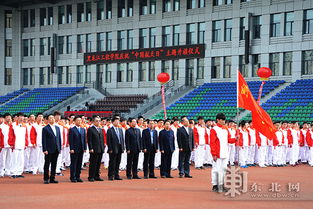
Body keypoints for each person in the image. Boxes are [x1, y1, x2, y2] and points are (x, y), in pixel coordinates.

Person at [210, 113, 231, 193]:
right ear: (218, 120)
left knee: (223, 170)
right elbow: (212, 143)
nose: (223, 121)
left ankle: (221, 184)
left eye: (224, 120)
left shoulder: (226, 128)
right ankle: (215, 185)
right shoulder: (214, 129)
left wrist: (235, 138)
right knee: (216, 169)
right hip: (217, 153)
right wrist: (214, 154)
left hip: (225, 152)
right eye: (222, 120)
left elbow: (229, 140)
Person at [42, 114, 62, 184]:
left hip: (56, 148)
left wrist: (59, 148)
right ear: (47, 120)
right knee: (47, 164)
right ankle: (46, 178)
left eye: (53, 118)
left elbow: (59, 139)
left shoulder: (57, 128)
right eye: (50, 118)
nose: (52, 119)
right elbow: (43, 140)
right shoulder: (45, 128)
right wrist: (44, 149)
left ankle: (52, 178)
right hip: (48, 149)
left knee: (54, 164)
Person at [69, 116, 87, 183]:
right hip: (74, 149)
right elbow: (71, 140)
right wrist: (71, 148)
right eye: (78, 120)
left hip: (81, 148)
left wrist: (85, 148)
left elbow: (84, 139)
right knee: (74, 163)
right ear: (74, 121)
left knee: (79, 163)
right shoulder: (72, 129)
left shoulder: (83, 129)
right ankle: (72, 177)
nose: (79, 121)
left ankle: (78, 176)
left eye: (80, 120)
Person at [87, 115, 105, 182]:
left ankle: (97, 176)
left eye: (99, 121)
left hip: (100, 148)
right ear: (93, 122)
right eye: (96, 121)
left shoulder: (100, 129)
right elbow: (89, 140)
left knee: (98, 163)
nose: (98, 122)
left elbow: (102, 139)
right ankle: (91, 176)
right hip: (94, 149)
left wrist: (102, 147)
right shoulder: (90, 129)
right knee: (93, 163)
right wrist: (90, 148)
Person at [10, 112, 28, 178]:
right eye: (20, 116)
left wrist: (26, 143)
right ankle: (13, 172)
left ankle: (19, 172)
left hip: (22, 144)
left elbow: (26, 136)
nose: (22, 118)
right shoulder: (13, 125)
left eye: (22, 116)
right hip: (15, 144)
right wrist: (11, 143)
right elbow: (11, 135)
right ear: (17, 117)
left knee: (21, 159)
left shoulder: (24, 125)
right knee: (14, 159)